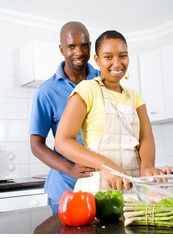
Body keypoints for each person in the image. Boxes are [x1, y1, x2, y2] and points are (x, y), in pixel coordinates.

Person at [55, 30, 171, 194]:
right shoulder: (87, 89)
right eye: (108, 57)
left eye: (122, 56)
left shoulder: (135, 97)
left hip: (135, 187)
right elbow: (63, 141)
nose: (117, 64)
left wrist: (147, 167)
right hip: (98, 188)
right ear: (97, 59)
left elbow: (146, 137)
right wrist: (107, 165)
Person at [29, 21, 100, 214]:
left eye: (84, 45)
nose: (78, 52)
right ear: (61, 49)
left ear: (90, 46)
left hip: (102, 185)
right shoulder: (47, 91)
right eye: (71, 46)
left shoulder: (103, 80)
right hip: (65, 188)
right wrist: (69, 168)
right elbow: (36, 144)